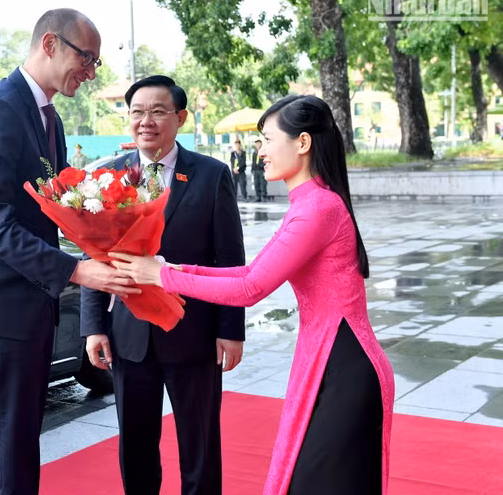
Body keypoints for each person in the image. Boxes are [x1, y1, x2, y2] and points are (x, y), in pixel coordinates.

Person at [109, 95, 395, 495]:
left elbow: (250, 287)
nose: (259, 150)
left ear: (302, 143)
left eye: (267, 139)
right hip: (330, 357)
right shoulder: (310, 203)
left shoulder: (318, 209)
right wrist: (169, 270)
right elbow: (247, 274)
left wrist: (163, 276)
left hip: (343, 365)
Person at [0, 9, 139, 495]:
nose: (91, 72)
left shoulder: (48, 119)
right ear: (50, 44)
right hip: (0, 308)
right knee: (10, 446)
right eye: (86, 58)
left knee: (18, 444)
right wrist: (78, 271)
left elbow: (50, 213)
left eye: (96, 63)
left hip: (28, 306)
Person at [82, 75, 245, 495]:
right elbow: (92, 255)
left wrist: (231, 330)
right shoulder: (105, 178)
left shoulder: (211, 175)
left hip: (194, 333)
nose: (146, 121)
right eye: (137, 112)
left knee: (200, 444)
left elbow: (229, 260)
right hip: (130, 338)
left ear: (180, 117)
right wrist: (94, 326)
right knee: (135, 447)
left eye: (157, 111)